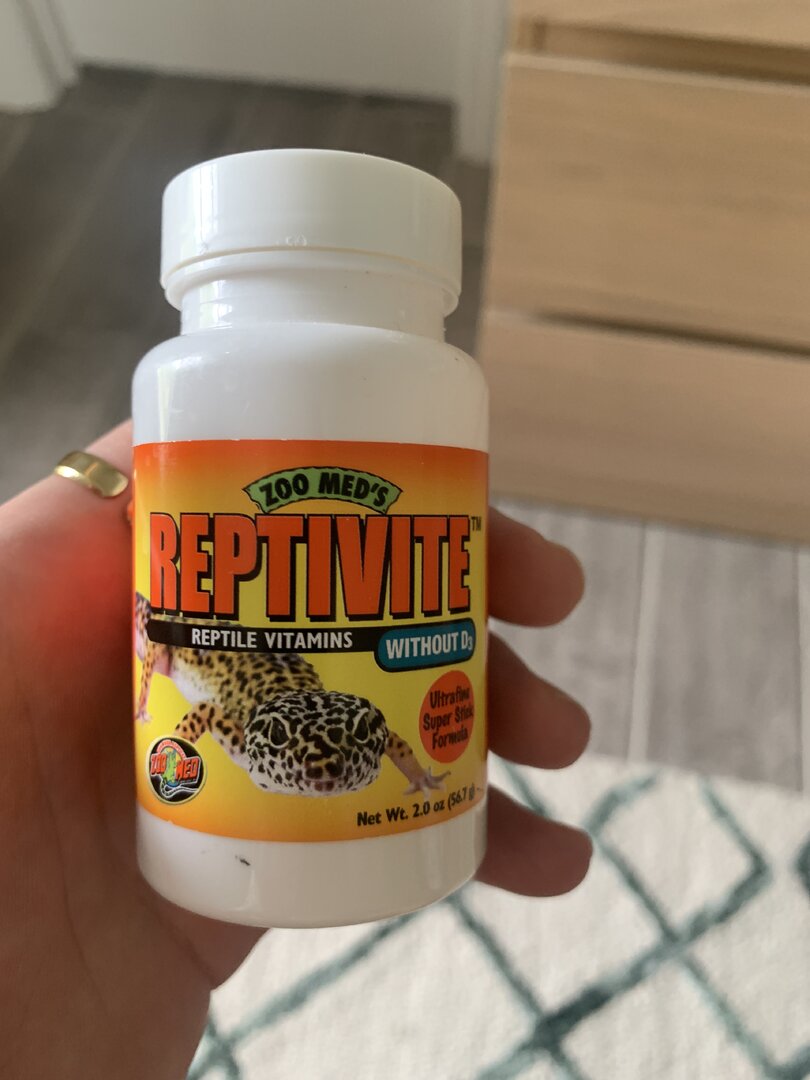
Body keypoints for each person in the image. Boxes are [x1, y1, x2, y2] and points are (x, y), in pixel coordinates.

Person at [0, 422, 592, 1079]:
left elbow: (383, 735)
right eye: (305, 758)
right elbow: (201, 714)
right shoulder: (235, 727)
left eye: (347, 751)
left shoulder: (356, 731)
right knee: (158, 642)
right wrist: (148, 702)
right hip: (204, 682)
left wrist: (421, 775)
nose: (329, 773)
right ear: (268, 748)